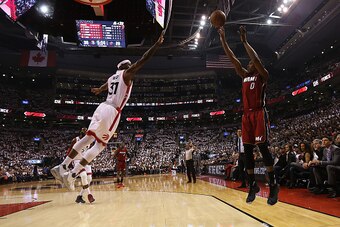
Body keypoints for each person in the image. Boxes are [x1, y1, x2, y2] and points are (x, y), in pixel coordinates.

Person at [51, 32, 164, 191]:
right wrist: (157, 45)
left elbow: (106, 85)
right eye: (129, 65)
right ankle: (72, 175)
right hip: (112, 111)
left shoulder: (112, 78)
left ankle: (63, 166)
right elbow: (143, 59)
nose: (132, 66)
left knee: (88, 138)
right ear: (125, 67)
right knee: (100, 145)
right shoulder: (127, 74)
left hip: (101, 107)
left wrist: (99, 89)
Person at [218, 26, 279, 205]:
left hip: (259, 113)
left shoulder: (262, 75)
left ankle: (274, 184)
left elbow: (256, 58)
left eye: (252, 62)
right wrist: (223, 39)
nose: (249, 63)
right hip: (246, 116)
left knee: (263, 147)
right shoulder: (244, 74)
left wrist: (244, 41)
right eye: (250, 63)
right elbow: (232, 58)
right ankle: (252, 185)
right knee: (248, 151)